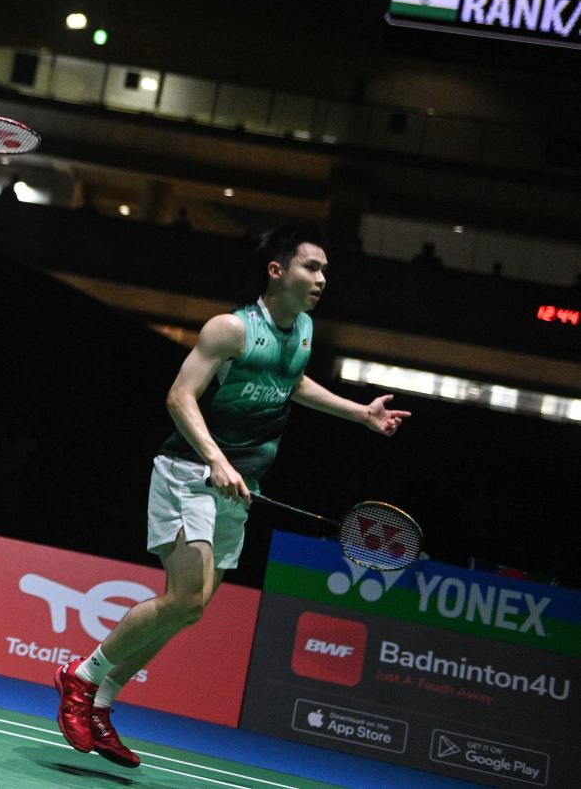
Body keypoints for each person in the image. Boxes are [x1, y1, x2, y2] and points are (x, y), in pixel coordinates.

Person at [53, 225, 411, 767]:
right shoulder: (230, 329)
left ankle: (101, 704)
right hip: (190, 472)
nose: (321, 279)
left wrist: (358, 412)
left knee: (188, 612)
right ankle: (80, 678)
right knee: (185, 598)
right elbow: (179, 396)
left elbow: (292, 382)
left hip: (241, 488)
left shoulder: (305, 330)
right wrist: (216, 458)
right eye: (311, 268)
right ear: (277, 271)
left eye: (324, 272)